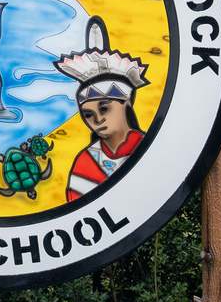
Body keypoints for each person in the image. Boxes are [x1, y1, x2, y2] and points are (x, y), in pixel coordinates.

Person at [53, 16, 150, 201]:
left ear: (126, 102)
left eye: (104, 109)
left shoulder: (149, 148)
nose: (96, 121)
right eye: (88, 115)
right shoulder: (85, 161)